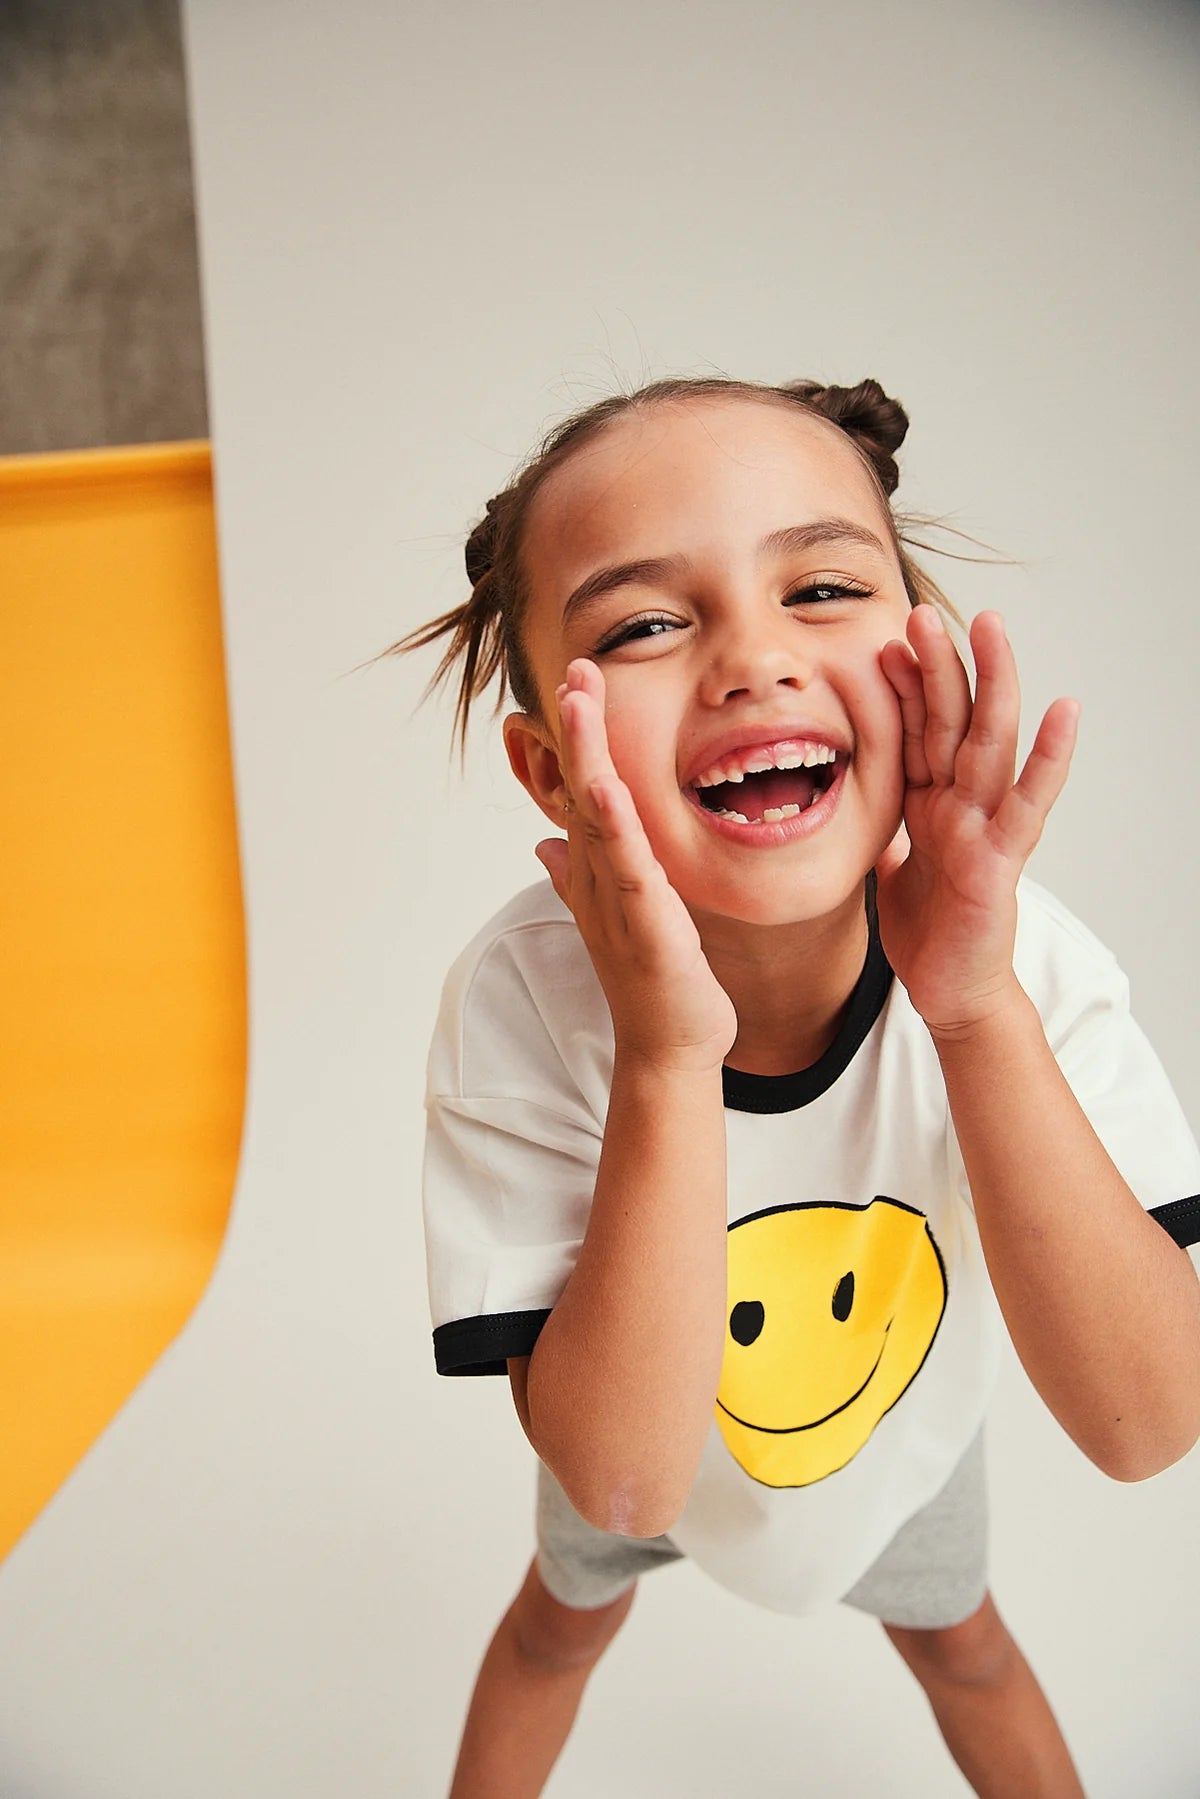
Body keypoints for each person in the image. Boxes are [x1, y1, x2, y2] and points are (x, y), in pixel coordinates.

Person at [389, 376, 1200, 1798]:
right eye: (646, 623)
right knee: (555, 1634)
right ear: (548, 774)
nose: (752, 660)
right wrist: (662, 1056)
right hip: (625, 1403)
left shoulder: (1030, 964)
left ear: (926, 662)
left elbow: (1148, 1426)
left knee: (969, 1652)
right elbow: (626, 1482)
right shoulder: (525, 1003)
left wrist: (975, 1011)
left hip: (893, 1420)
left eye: (820, 585)